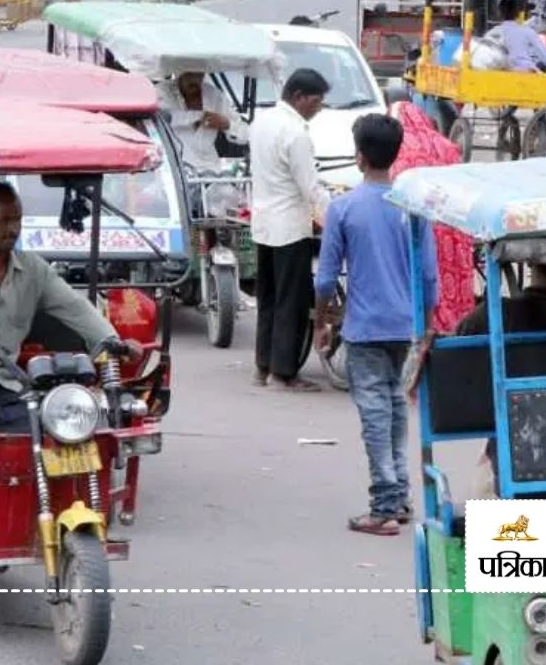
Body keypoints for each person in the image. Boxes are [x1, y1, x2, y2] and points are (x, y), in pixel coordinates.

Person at [0, 183, 143, 490]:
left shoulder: (34, 270)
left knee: (44, 412)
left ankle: (32, 492)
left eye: (17, 219)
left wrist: (114, 342)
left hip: (4, 376)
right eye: (4, 221)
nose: (13, 229)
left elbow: (76, 309)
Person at [315, 114, 437, 536]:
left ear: (360, 156)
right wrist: (427, 324)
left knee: (374, 414)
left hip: (365, 327)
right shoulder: (412, 209)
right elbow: (428, 277)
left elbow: (327, 278)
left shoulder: (344, 207)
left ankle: (384, 506)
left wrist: (320, 322)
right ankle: (399, 495)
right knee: (393, 408)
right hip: (405, 326)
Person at [457, 263, 546, 498]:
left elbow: (458, 382)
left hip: (511, 485)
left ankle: (505, 535)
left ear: (530, 264)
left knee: (482, 477)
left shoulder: (489, 317)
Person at [250, 68, 332, 392]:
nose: (319, 107)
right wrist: (334, 213)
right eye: (317, 101)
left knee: (268, 297)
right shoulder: (296, 133)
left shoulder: (262, 122)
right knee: (292, 301)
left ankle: (263, 365)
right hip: (290, 226)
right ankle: (283, 372)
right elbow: (310, 187)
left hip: (264, 222)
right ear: (299, 97)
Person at [386, 94, 476, 332]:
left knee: (421, 281)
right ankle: (455, 329)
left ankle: (425, 328)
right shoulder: (445, 146)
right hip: (452, 228)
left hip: (419, 229)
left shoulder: (398, 151)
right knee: (449, 286)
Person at [158, 71, 247, 175]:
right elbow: (164, 117)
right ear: (179, 70)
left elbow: (244, 134)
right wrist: (199, 116)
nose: (194, 79)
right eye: (189, 73)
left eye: (199, 73)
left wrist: (227, 125)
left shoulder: (214, 95)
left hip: (210, 172)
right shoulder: (161, 93)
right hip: (174, 172)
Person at [492, 0, 546, 73]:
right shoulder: (528, 32)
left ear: (499, 13)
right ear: (518, 13)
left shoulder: (492, 33)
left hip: (499, 74)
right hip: (526, 73)